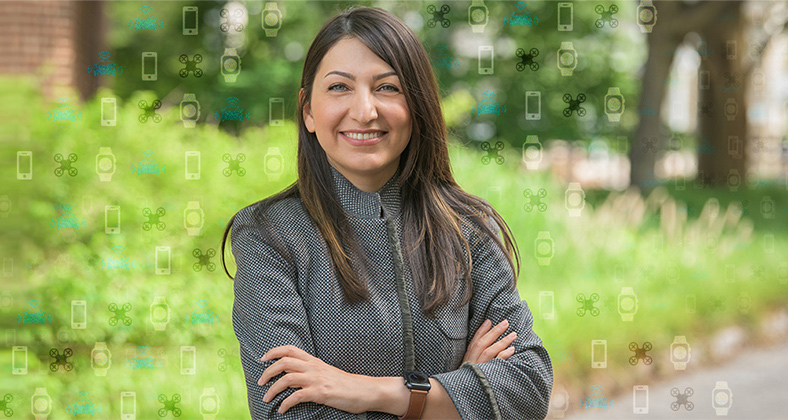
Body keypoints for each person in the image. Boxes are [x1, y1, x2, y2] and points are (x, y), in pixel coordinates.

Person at [220, 5, 553, 420]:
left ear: (417, 105)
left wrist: (367, 392)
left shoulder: (468, 228)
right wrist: (458, 394)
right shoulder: (269, 235)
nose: (364, 111)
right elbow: (289, 414)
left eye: (388, 88)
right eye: (339, 87)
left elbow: (529, 388)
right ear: (308, 110)